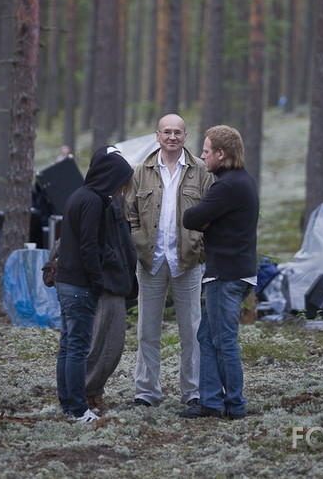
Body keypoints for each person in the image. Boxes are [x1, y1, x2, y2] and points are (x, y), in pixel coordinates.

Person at [128, 113, 213, 408]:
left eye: (178, 132)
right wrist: (138, 241)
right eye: (167, 132)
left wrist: (199, 247)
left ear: (186, 136)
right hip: (150, 261)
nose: (172, 137)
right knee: (147, 332)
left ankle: (193, 392)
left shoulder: (201, 170)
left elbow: (211, 212)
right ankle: (146, 392)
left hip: (188, 261)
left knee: (191, 331)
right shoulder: (141, 171)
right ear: (157, 135)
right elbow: (131, 213)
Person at [179, 125, 259, 420]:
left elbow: (191, 217)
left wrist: (203, 219)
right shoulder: (241, 181)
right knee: (206, 336)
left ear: (221, 154)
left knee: (224, 340)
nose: (201, 157)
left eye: (206, 151)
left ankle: (235, 406)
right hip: (232, 272)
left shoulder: (227, 186)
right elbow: (203, 220)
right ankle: (211, 401)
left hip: (226, 275)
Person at [56, 146, 134, 422]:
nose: (119, 190)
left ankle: (67, 403)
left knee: (68, 346)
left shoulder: (79, 196)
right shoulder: (92, 201)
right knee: (77, 348)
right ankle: (78, 409)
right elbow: (90, 246)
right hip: (79, 286)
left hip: (67, 282)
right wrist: (97, 282)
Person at [85, 172, 136, 414]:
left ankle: (95, 391)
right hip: (108, 283)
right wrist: (115, 261)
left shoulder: (119, 202)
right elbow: (96, 243)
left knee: (113, 344)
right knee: (101, 343)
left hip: (119, 282)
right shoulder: (101, 203)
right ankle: (85, 391)